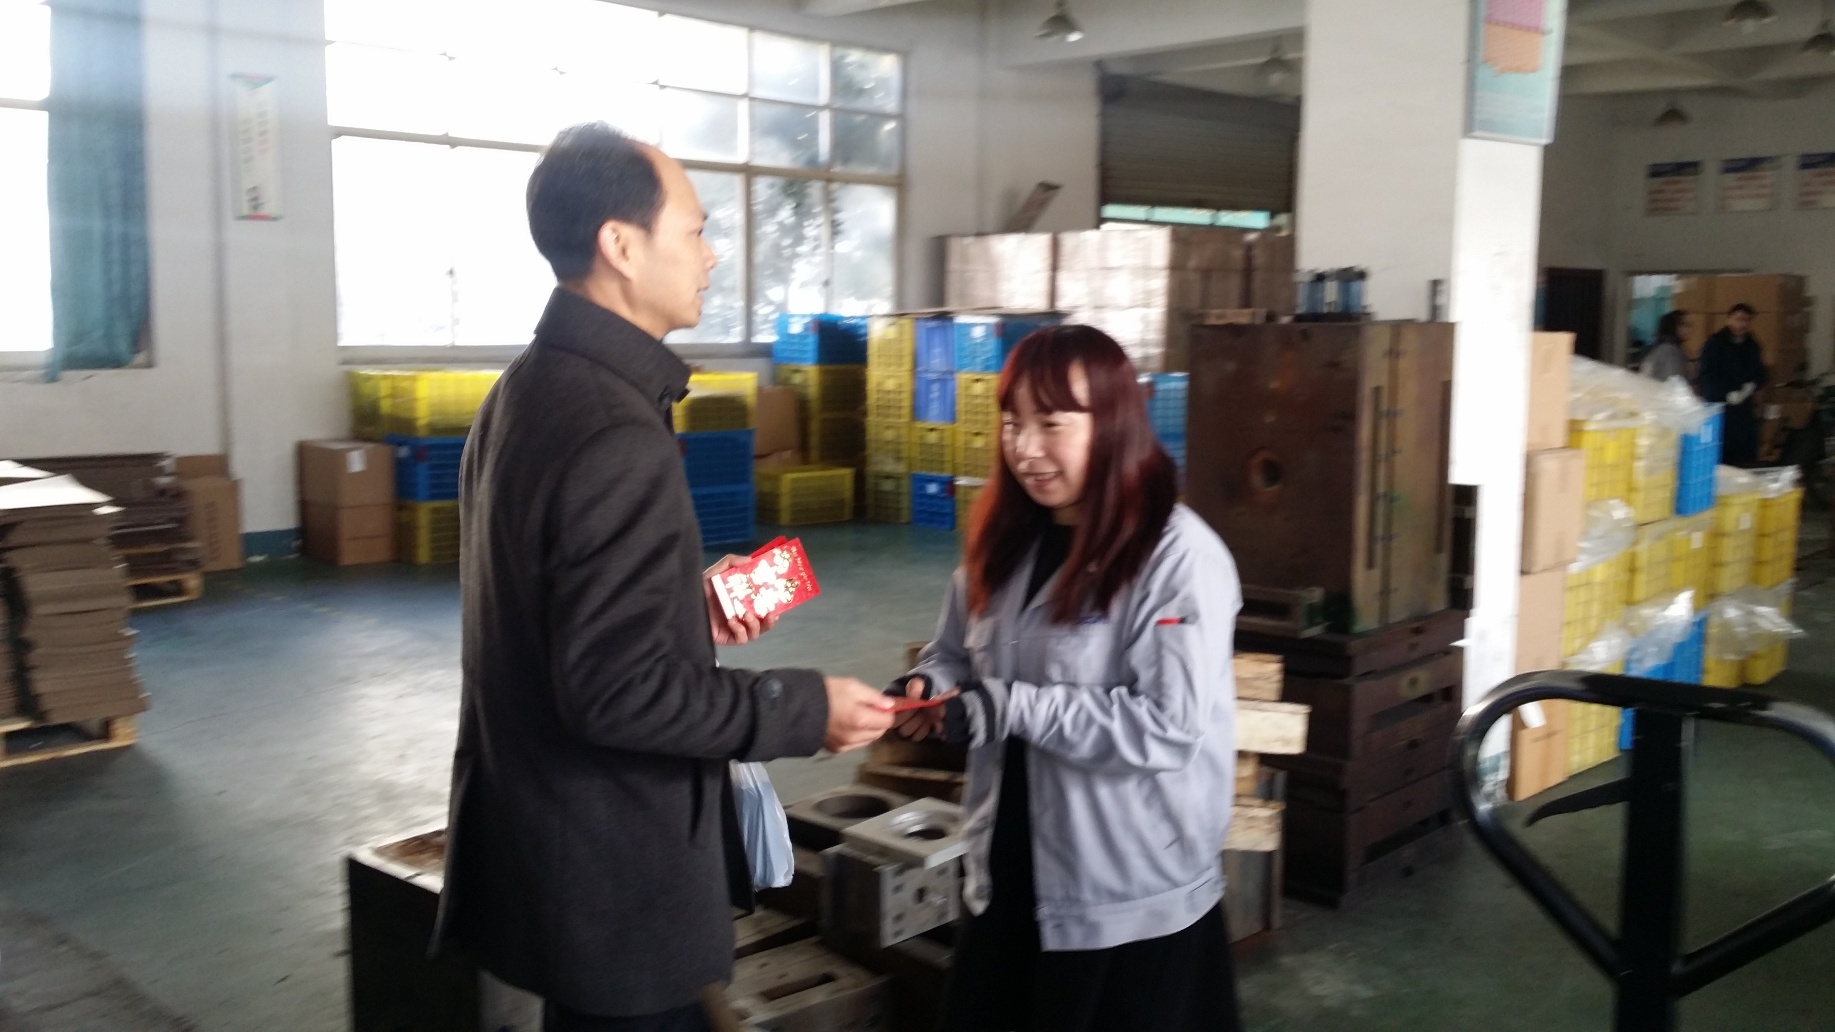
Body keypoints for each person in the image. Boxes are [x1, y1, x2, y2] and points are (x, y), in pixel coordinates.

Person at [434, 123, 897, 1032]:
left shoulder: (526, 391)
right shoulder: (613, 429)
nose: (710, 254)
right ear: (620, 244)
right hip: (612, 872)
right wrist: (804, 709)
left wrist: (679, 607)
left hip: (550, 850)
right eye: (693, 229)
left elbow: (545, 609)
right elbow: (618, 694)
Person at [891, 325, 1244, 1032]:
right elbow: (954, 652)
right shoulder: (1008, 539)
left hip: (1126, 900)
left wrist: (1006, 707)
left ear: (1112, 424)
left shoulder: (1177, 557)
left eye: (1051, 424)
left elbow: (1167, 727)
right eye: (1012, 423)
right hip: (1007, 876)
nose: (1024, 448)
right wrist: (927, 686)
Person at [1696, 303, 1769, 466]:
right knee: (1722, 455)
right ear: (1728, 320)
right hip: (1720, 409)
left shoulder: (1752, 345)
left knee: (1745, 456)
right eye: (1738, 319)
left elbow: (1761, 373)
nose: (1742, 324)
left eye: (1747, 320)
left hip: (1744, 411)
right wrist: (1725, 394)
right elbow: (1706, 376)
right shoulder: (1715, 344)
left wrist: (1752, 385)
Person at [1640, 310, 1687, 382]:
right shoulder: (1668, 350)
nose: (1687, 329)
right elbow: (1672, 380)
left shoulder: (1666, 348)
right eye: (1683, 324)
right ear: (1672, 326)